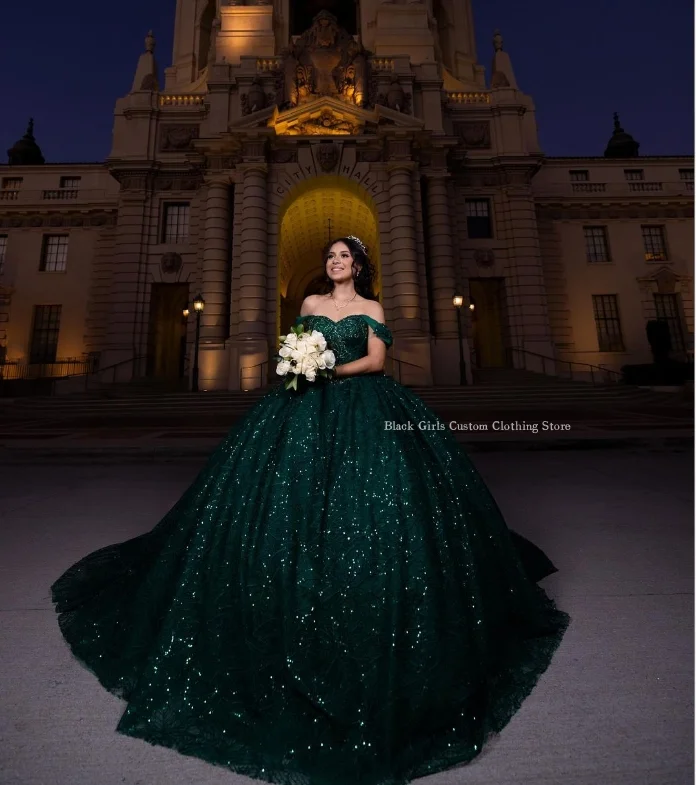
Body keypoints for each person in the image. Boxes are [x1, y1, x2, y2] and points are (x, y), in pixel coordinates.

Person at [51, 236, 570, 785]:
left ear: (359, 266)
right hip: (302, 409)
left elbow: (375, 360)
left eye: (344, 257)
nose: (335, 263)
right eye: (330, 258)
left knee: (383, 503)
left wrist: (329, 369)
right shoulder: (310, 305)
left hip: (363, 406)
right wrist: (301, 361)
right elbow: (295, 346)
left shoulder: (372, 309)